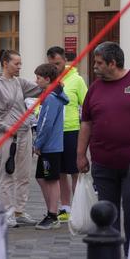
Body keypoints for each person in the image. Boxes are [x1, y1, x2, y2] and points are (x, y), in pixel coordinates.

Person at [77, 42, 130, 255]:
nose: (95, 67)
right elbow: (86, 123)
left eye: (99, 63)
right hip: (103, 164)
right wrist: (80, 155)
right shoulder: (95, 88)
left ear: (113, 63)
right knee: (106, 214)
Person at [0, 50, 42, 227]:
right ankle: (7, 212)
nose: (20, 67)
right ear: (5, 64)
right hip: (8, 135)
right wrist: (6, 127)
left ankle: (19, 210)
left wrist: (51, 75)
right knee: (8, 173)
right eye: (16, 63)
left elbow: (40, 88)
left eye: (20, 63)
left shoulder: (19, 82)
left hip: (25, 132)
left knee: (24, 174)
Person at [46, 46, 87, 222]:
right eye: (52, 64)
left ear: (65, 60)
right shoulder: (49, 81)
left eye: (58, 63)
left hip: (72, 130)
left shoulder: (76, 80)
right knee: (60, 172)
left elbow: (86, 103)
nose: (55, 67)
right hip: (55, 132)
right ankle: (65, 207)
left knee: (74, 171)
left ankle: (78, 206)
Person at [32, 63, 68, 230]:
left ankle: (53, 215)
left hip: (50, 146)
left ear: (47, 79)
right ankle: (50, 211)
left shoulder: (51, 98)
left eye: (38, 78)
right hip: (49, 145)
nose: (36, 81)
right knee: (41, 177)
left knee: (52, 179)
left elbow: (46, 124)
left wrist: (38, 143)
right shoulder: (52, 95)